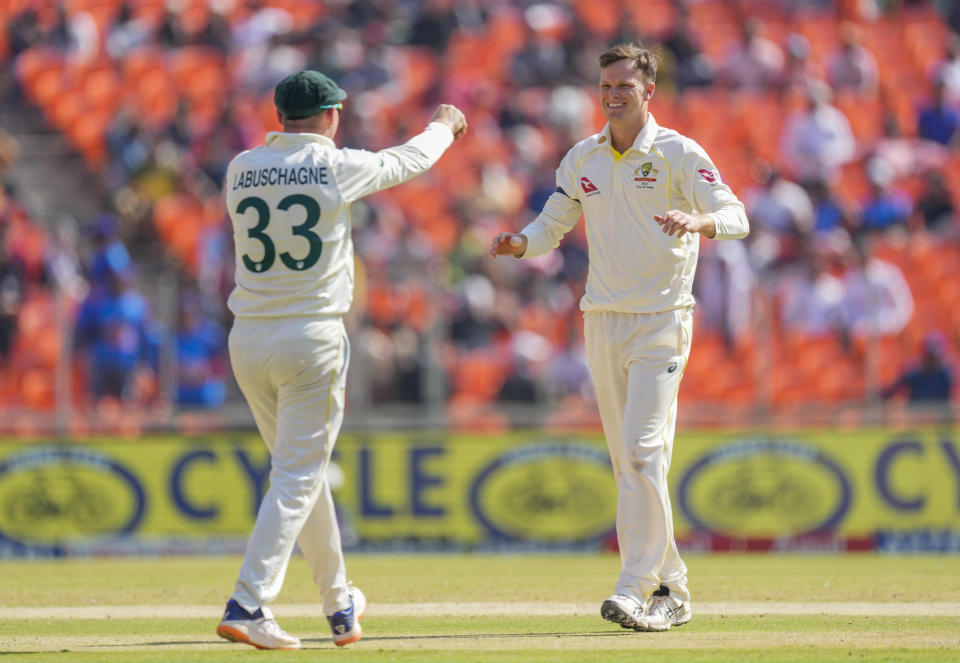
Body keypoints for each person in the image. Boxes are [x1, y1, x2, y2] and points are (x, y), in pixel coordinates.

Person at [489, 43, 748, 632]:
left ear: (649, 92)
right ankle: (672, 588)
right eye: (606, 84)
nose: (612, 94)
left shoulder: (680, 153)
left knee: (642, 450)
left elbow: (736, 214)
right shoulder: (584, 157)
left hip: (662, 320)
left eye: (624, 86)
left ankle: (635, 585)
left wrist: (699, 220)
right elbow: (553, 221)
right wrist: (521, 243)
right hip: (602, 319)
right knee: (629, 462)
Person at [217, 70, 466, 650]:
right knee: (300, 474)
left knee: (300, 476)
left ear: (280, 116)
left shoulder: (239, 168)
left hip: (249, 337)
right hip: (310, 336)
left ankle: (339, 606)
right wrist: (445, 126)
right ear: (331, 115)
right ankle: (248, 601)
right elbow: (408, 161)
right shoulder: (334, 165)